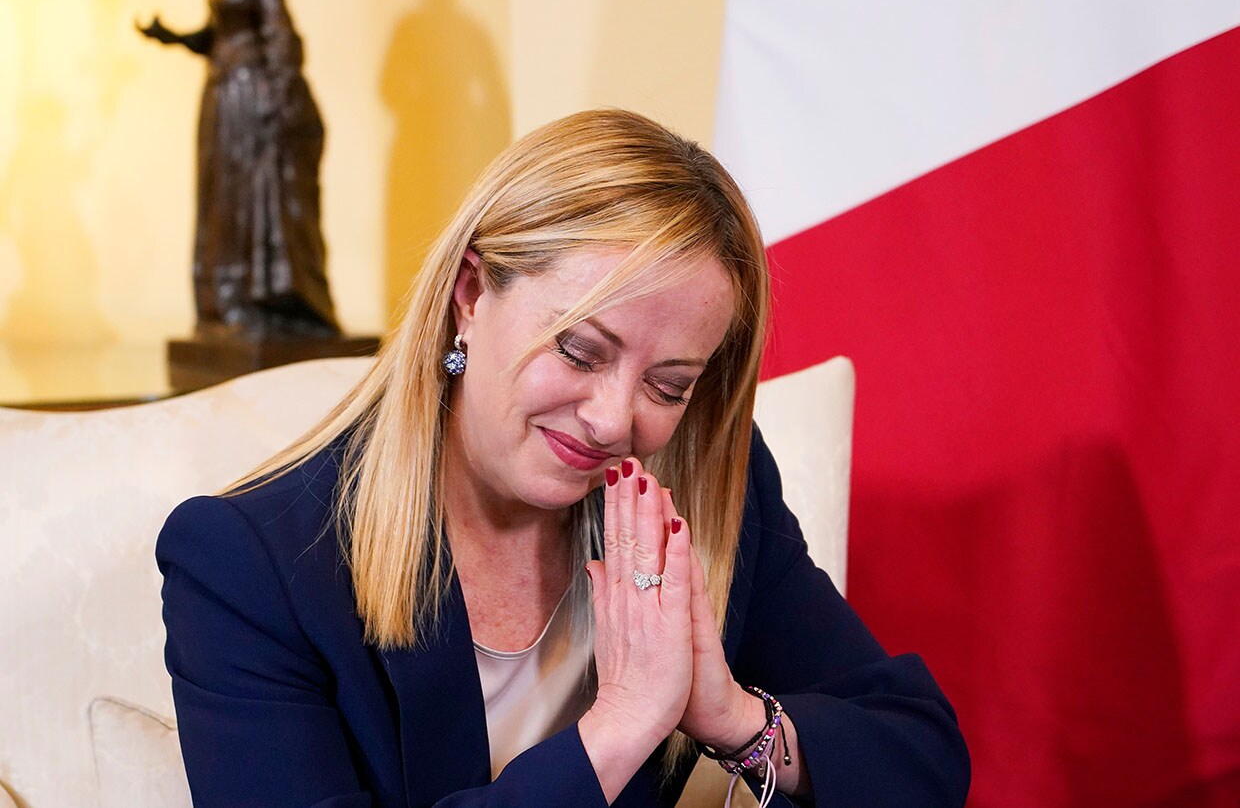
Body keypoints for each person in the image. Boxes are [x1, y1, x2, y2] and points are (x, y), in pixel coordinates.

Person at [156, 109, 970, 807]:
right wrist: (617, 726)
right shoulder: (248, 565)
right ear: (470, 295)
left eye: (669, 383)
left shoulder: (706, 486)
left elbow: (920, 757)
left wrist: (732, 717)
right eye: (580, 351)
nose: (615, 419)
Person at [138, 0, 339, 338]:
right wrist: (174, 37)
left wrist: (280, 95)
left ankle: (263, 299)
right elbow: (216, 33)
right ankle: (227, 302)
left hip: (252, 95)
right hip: (223, 94)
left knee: (251, 194)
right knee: (223, 195)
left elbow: (280, 32)